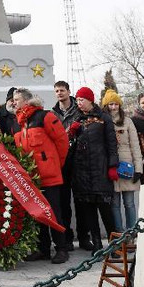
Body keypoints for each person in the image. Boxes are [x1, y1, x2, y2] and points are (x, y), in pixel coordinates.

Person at [12, 88, 69, 263]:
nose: (14, 102)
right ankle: (42, 249)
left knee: (54, 213)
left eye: (17, 99)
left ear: (27, 101)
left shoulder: (45, 117)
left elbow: (62, 142)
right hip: (31, 179)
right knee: (37, 214)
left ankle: (61, 249)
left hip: (49, 177)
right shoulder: (17, 123)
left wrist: (54, 164)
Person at [70, 86, 118, 253]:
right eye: (77, 100)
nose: (79, 103)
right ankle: (97, 244)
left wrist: (113, 166)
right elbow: (70, 147)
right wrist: (71, 134)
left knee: (106, 211)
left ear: (90, 100)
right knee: (89, 211)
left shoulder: (104, 118)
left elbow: (112, 144)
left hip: (100, 170)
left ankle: (114, 245)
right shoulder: (77, 119)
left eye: (81, 100)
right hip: (82, 172)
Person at [52, 80, 92, 251]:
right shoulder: (53, 114)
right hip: (62, 163)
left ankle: (84, 237)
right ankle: (67, 238)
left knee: (82, 202)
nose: (60, 93)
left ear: (69, 92)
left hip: (80, 161)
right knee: (64, 203)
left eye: (62, 90)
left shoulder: (79, 110)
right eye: (57, 91)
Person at [101, 90, 143, 233]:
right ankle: (119, 235)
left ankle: (131, 233)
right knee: (114, 204)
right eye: (110, 104)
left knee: (130, 203)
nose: (113, 107)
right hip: (110, 167)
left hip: (127, 166)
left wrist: (138, 168)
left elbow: (135, 146)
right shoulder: (102, 121)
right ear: (106, 105)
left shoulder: (127, 121)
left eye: (116, 104)